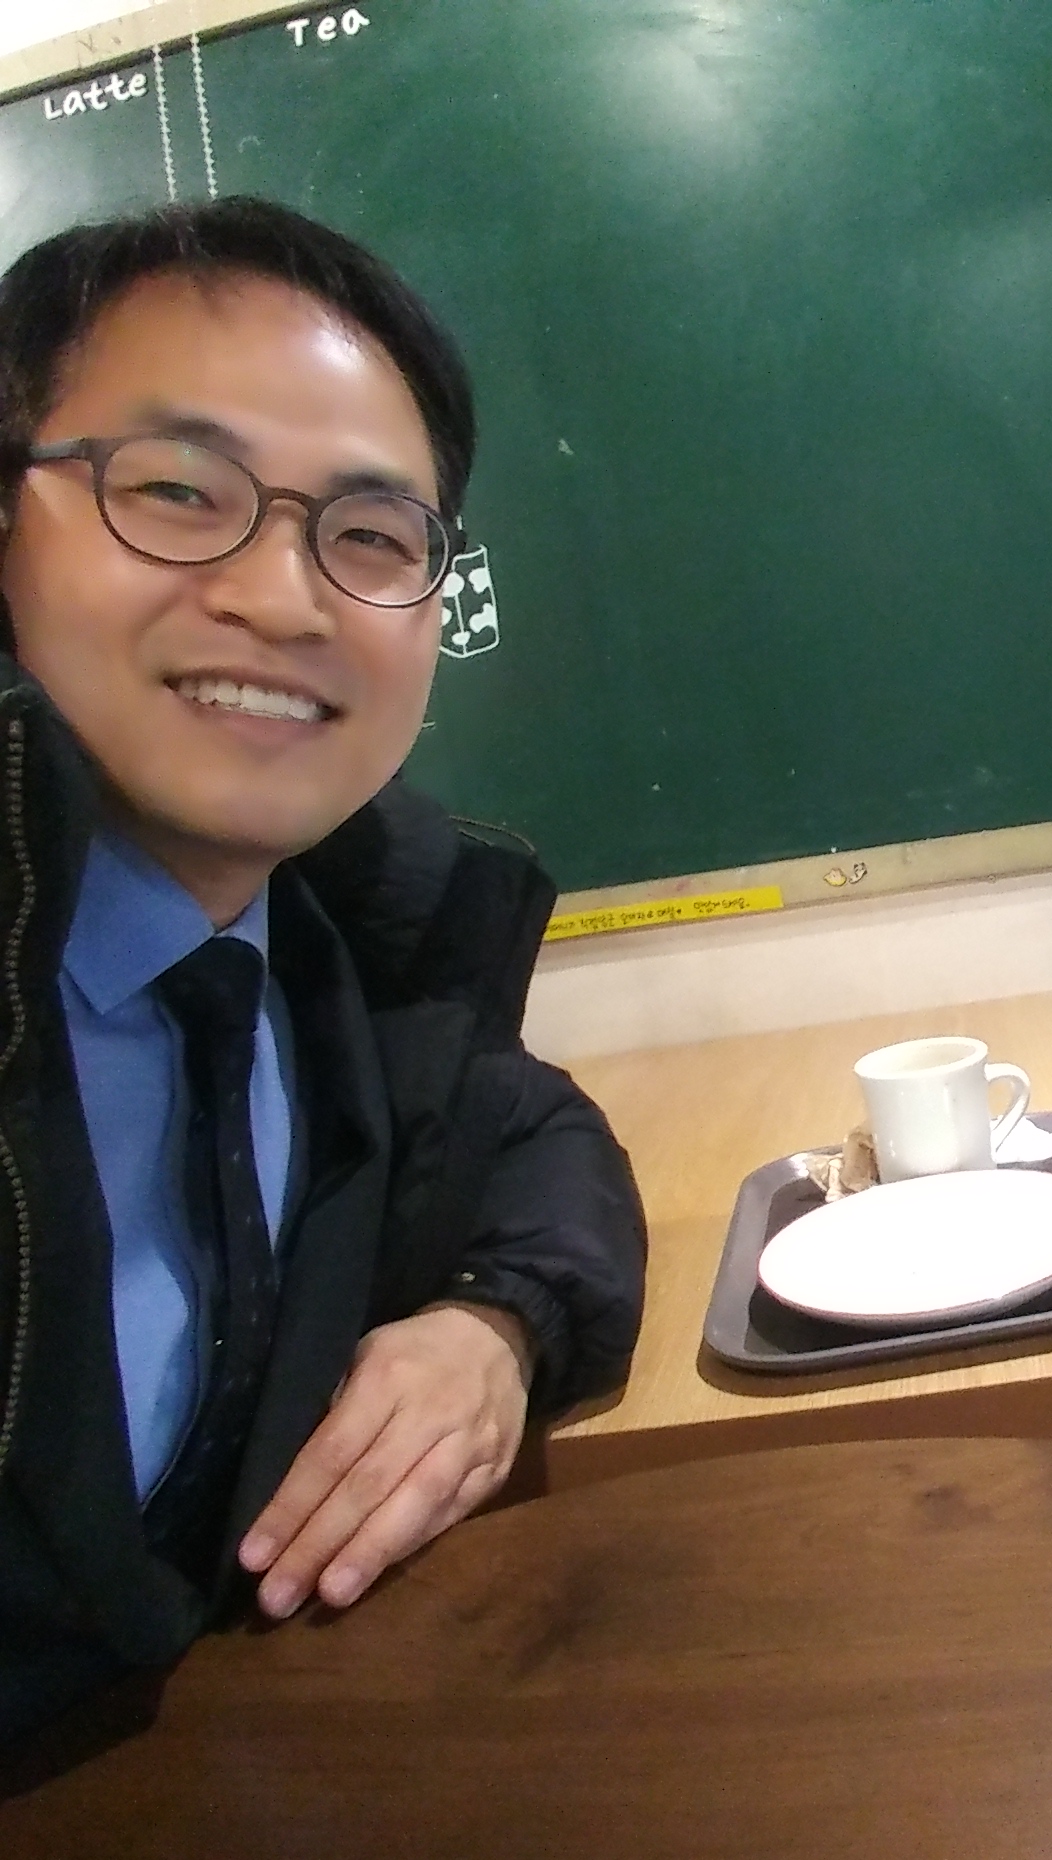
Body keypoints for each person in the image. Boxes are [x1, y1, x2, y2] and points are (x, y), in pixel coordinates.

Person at [0, 198, 644, 1744]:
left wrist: (493, 1327)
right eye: (175, 490)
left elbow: (532, 1136)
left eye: (368, 536)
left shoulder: (333, 951)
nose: (282, 600)